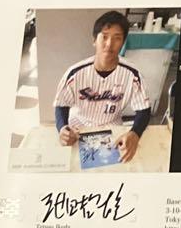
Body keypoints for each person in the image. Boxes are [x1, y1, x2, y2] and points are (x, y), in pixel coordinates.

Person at [54, 10, 150, 163]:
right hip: (78, 127)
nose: (109, 44)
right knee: (73, 166)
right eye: (104, 36)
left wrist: (135, 133)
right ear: (94, 40)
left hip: (112, 127)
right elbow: (61, 104)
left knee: (117, 167)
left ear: (123, 42)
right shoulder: (75, 73)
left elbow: (144, 109)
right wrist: (62, 128)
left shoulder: (133, 74)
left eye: (117, 38)